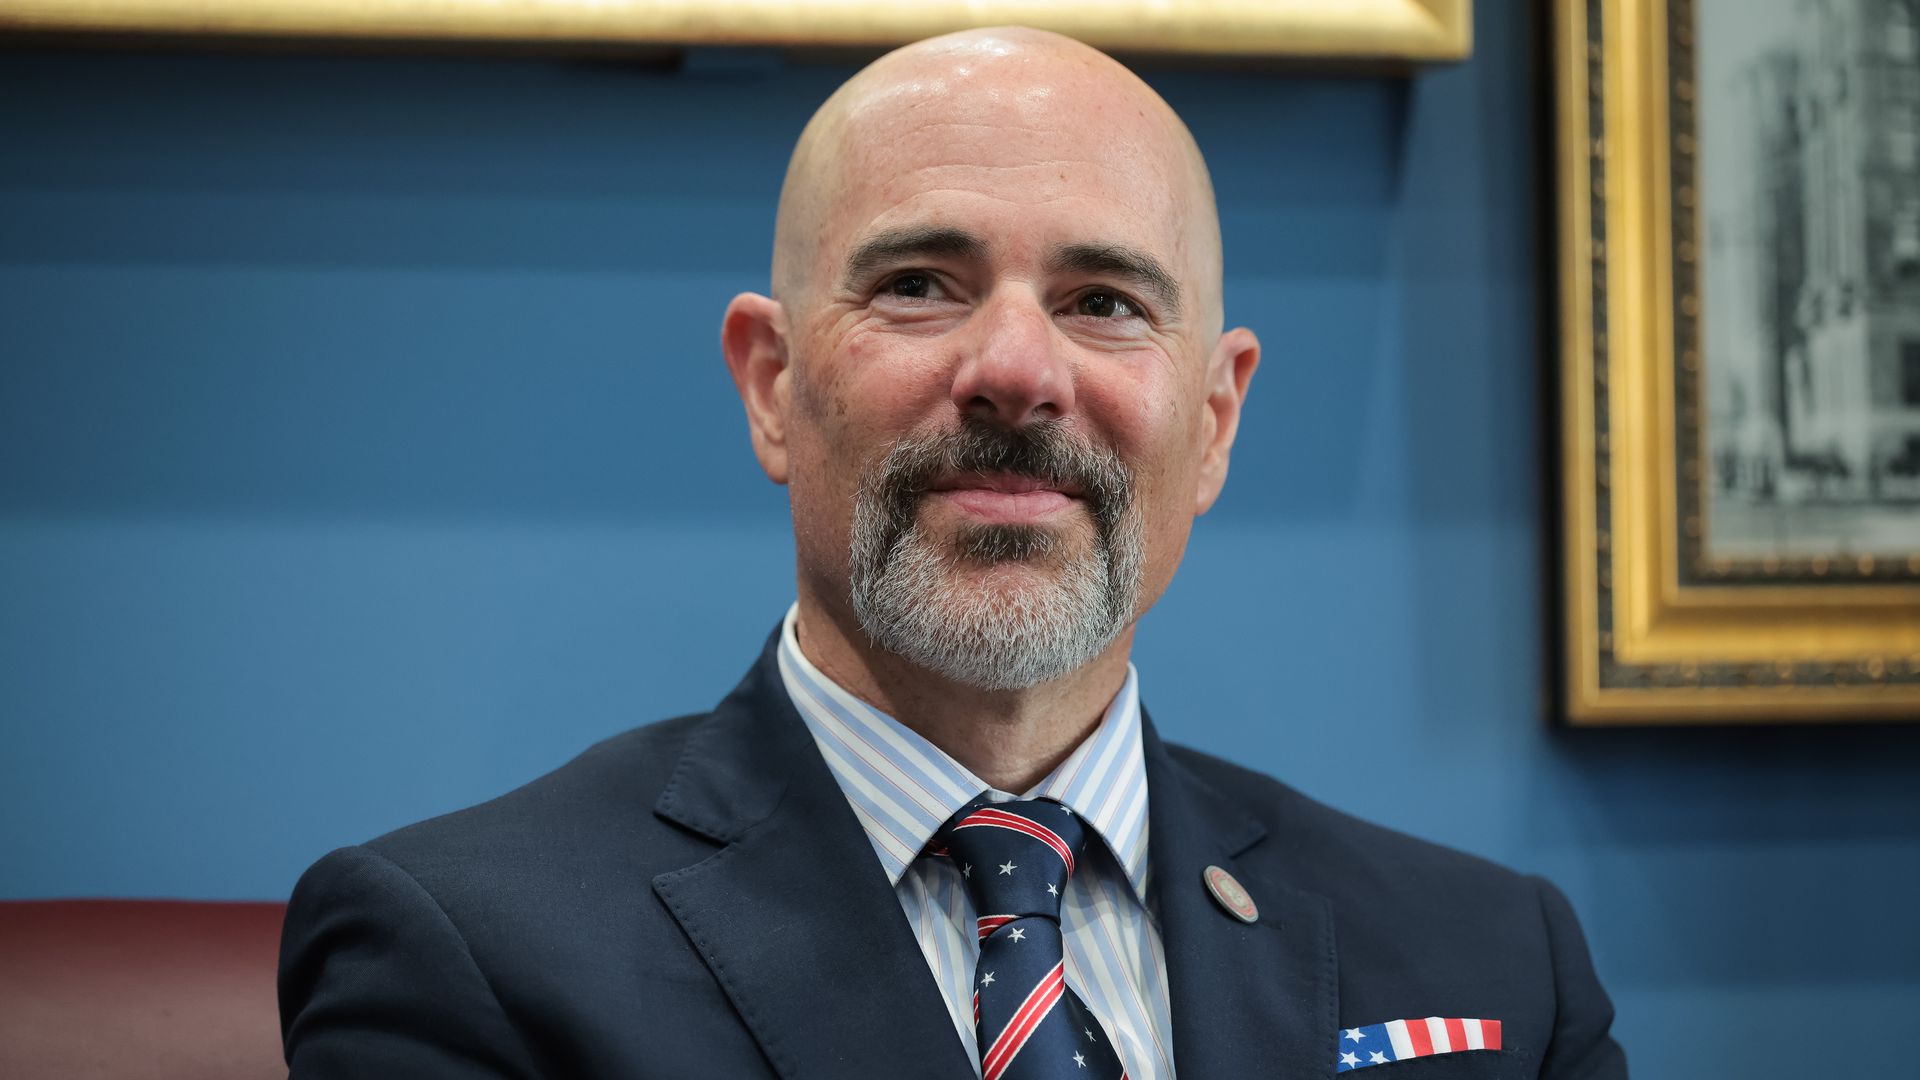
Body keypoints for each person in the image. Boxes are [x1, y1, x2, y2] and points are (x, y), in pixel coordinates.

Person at [278, 26, 1627, 1080]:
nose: (1016, 370)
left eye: (1103, 301)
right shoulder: (470, 954)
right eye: (920, 284)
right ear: (770, 386)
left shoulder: (1495, 956)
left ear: (1213, 422)